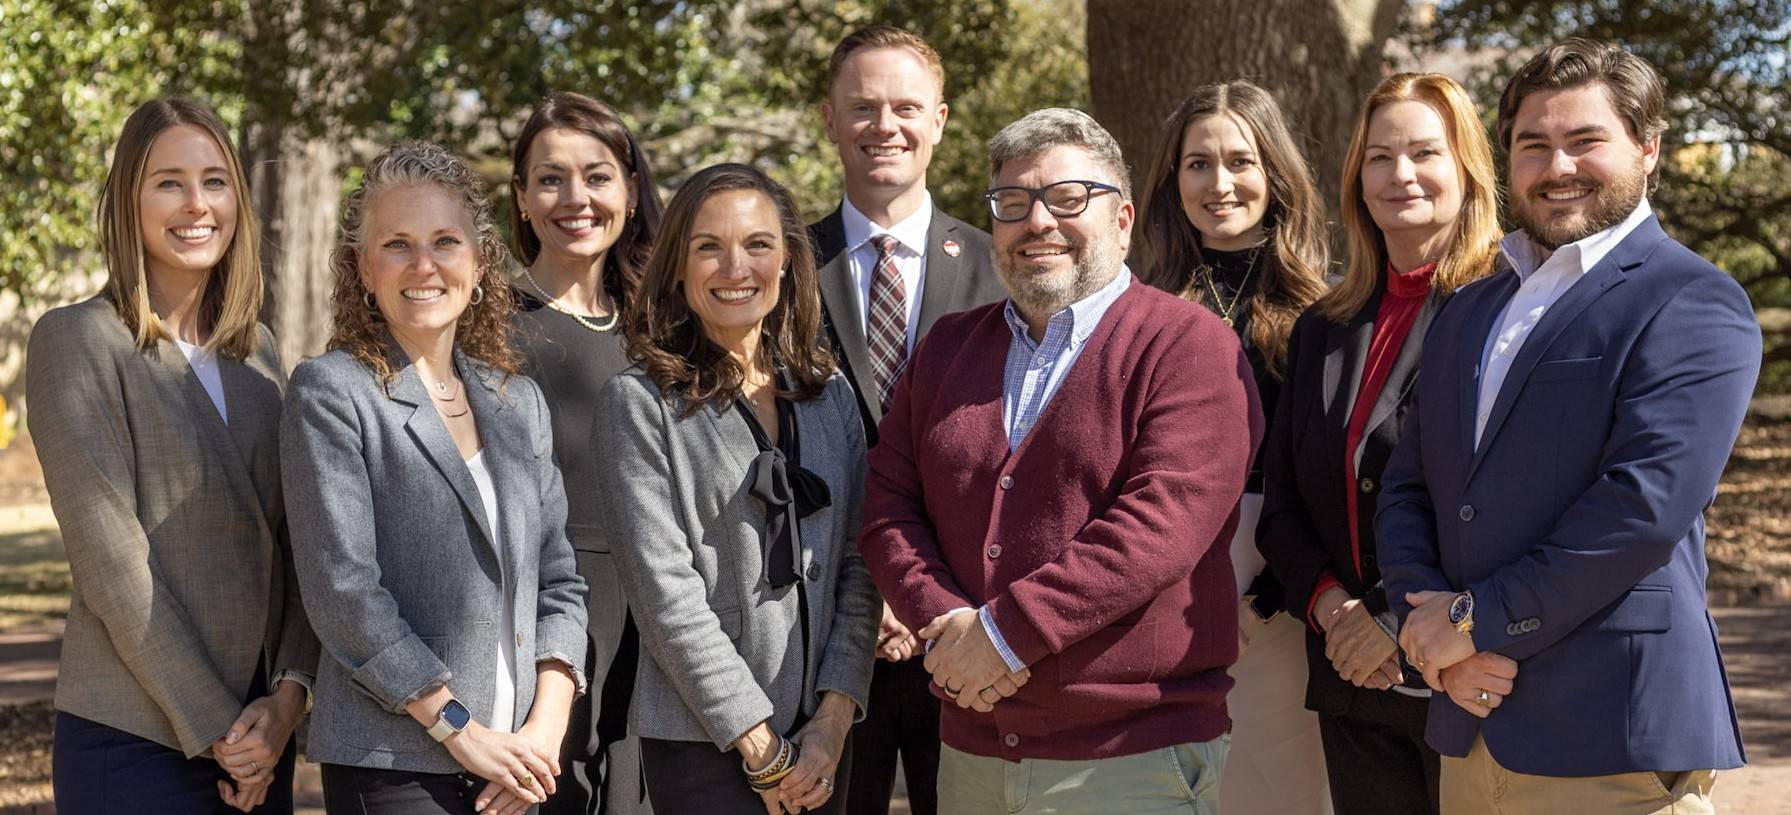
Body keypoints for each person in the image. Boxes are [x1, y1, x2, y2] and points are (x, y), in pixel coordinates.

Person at [1378, 39, 1757, 814]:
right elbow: (1408, 483)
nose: (1557, 167)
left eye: (1585, 141)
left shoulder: (1690, 299)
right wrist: (1430, 629)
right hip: (1471, 722)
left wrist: (1472, 621)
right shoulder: (1467, 307)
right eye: (1532, 144)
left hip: (1607, 734)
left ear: (1648, 150)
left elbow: (1641, 507)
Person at [859, 108, 1261, 814]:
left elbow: (1156, 529)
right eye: (1012, 204)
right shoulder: (948, 348)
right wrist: (948, 623)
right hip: (972, 748)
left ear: (1123, 218)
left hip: (1127, 756)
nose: (1037, 222)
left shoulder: (1188, 345)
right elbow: (889, 503)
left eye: (1068, 198)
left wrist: (1002, 637)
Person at [28, 97, 318, 815]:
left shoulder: (260, 353)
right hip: (134, 737)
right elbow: (112, 565)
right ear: (130, 197)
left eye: (215, 180)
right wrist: (223, 728)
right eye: (169, 182)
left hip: (259, 742)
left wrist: (285, 703)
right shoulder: (77, 340)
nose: (197, 204)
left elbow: (296, 542)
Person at [282, 141, 589, 815]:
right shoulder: (331, 392)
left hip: (518, 763)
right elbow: (343, 591)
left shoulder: (518, 403)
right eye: (396, 244)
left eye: (445, 240)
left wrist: (543, 729)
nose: (423, 265)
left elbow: (560, 579)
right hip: (398, 766)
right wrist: (461, 729)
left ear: (479, 262)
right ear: (363, 267)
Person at [594, 163, 880, 815]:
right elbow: (665, 598)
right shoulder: (639, 404)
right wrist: (761, 748)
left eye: (756, 244)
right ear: (676, 268)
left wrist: (833, 720)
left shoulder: (828, 393)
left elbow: (861, 567)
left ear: (785, 261)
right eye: (707, 247)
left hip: (822, 744)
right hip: (705, 746)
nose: (735, 267)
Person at [1256, 73, 1503, 815]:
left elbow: (1506, 501)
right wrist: (1336, 613)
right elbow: (1283, 503)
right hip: (1350, 680)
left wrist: (1393, 623)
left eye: (1425, 152)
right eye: (1378, 156)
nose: (1400, 175)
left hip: (1465, 675)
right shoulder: (1322, 325)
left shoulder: (1509, 308)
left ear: (1466, 170)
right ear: (1355, 178)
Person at [807, 26, 1005, 815]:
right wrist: (872, 588)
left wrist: (917, 591)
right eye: (862, 107)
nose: (883, 125)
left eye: (904, 107)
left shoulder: (1001, 267)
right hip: (822, 632)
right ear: (829, 119)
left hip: (968, 623)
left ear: (940, 120)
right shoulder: (782, 265)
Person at [1136, 80, 1331, 815]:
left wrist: (1270, 590)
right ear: (1172, 178)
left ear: (1274, 173)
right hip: (1161, 572)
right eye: (1197, 164)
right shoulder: (1137, 303)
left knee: (1270, 787)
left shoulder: (1323, 307)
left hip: (1279, 583)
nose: (1219, 184)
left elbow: (1324, 467)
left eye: (1239, 161)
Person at [508, 90, 663, 815]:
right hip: (532, 630)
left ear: (630, 192)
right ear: (520, 196)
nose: (576, 198)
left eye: (597, 176)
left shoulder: (662, 333)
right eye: (550, 177)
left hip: (650, 635)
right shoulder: (482, 325)